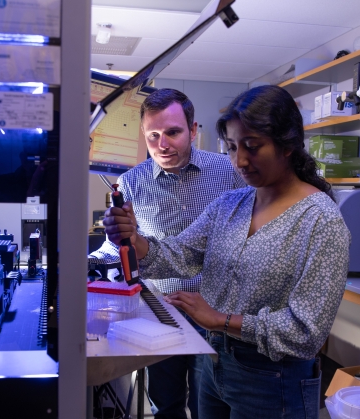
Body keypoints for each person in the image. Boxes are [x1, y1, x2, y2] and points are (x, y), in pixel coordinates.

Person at [103, 85, 351, 419]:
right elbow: (180, 254)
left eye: (252, 147)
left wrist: (221, 320)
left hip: (271, 379)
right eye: (233, 147)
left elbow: (305, 332)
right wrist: (134, 239)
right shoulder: (231, 204)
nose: (240, 161)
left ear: (287, 145)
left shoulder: (320, 220)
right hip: (215, 364)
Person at [88, 88, 246, 419]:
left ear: (193, 130)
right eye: (153, 135)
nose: (163, 144)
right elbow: (117, 248)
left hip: (215, 313)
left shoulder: (229, 171)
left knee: (209, 406)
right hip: (161, 313)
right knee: (165, 404)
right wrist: (95, 254)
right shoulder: (130, 182)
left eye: (173, 132)